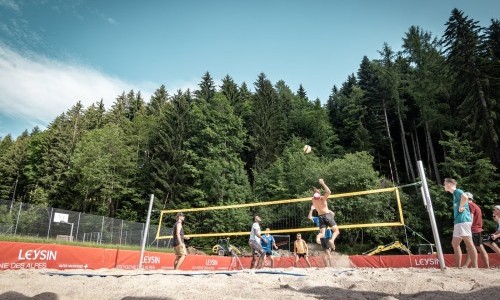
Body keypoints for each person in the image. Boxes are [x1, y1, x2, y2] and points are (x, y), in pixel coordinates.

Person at [443, 178, 477, 268]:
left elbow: (465, 197)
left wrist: (461, 206)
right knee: (455, 243)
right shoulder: (454, 194)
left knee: (469, 243)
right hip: (458, 221)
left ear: (449, 184)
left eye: (445, 184)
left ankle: (475, 267)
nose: (444, 186)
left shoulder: (457, 191)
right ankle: (458, 266)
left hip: (463, 220)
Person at [462, 192, 489, 268]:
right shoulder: (475, 205)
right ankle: (486, 266)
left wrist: (467, 227)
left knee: (473, 248)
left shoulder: (470, 205)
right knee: (477, 247)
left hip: (473, 229)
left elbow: (471, 217)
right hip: (477, 229)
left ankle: (467, 265)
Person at [311, 178, 338, 250]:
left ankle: (318, 237)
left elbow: (316, 195)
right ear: (319, 194)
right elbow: (329, 192)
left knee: (322, 234)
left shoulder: (313, 200)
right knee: (336, 231)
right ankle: (332, 240)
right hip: (326, 215)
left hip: (320, 217)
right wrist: (322, 183)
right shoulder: (322, 199)